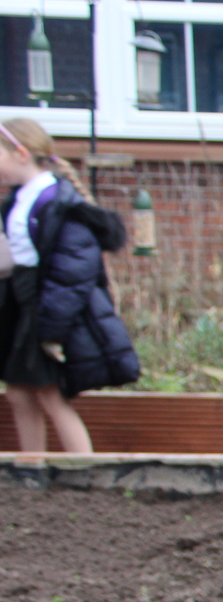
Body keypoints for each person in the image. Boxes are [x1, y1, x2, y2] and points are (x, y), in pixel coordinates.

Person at [1, 117, 138, 469]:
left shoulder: (59, 204)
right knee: (19, 393)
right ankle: (31, 466)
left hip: (44, 310)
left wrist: (51, 331)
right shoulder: (20, 200)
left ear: (20, 154)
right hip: (23, 307)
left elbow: (71, 276)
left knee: (50, 394)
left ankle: (84, 469)